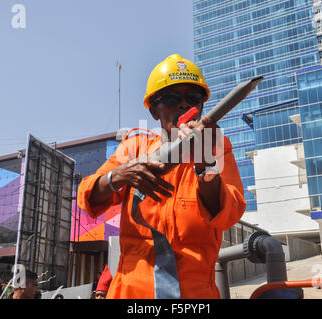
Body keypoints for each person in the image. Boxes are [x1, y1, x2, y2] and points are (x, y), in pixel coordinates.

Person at [78, 54, 246, 298]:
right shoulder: (135, 147)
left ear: (201, 106)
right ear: (154, 110)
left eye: (193, 98)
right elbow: (87, 196)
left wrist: (205, 163)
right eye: (171, 98)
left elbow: (227, 214)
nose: (183, 105)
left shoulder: (217, 148)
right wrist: (119, 176)